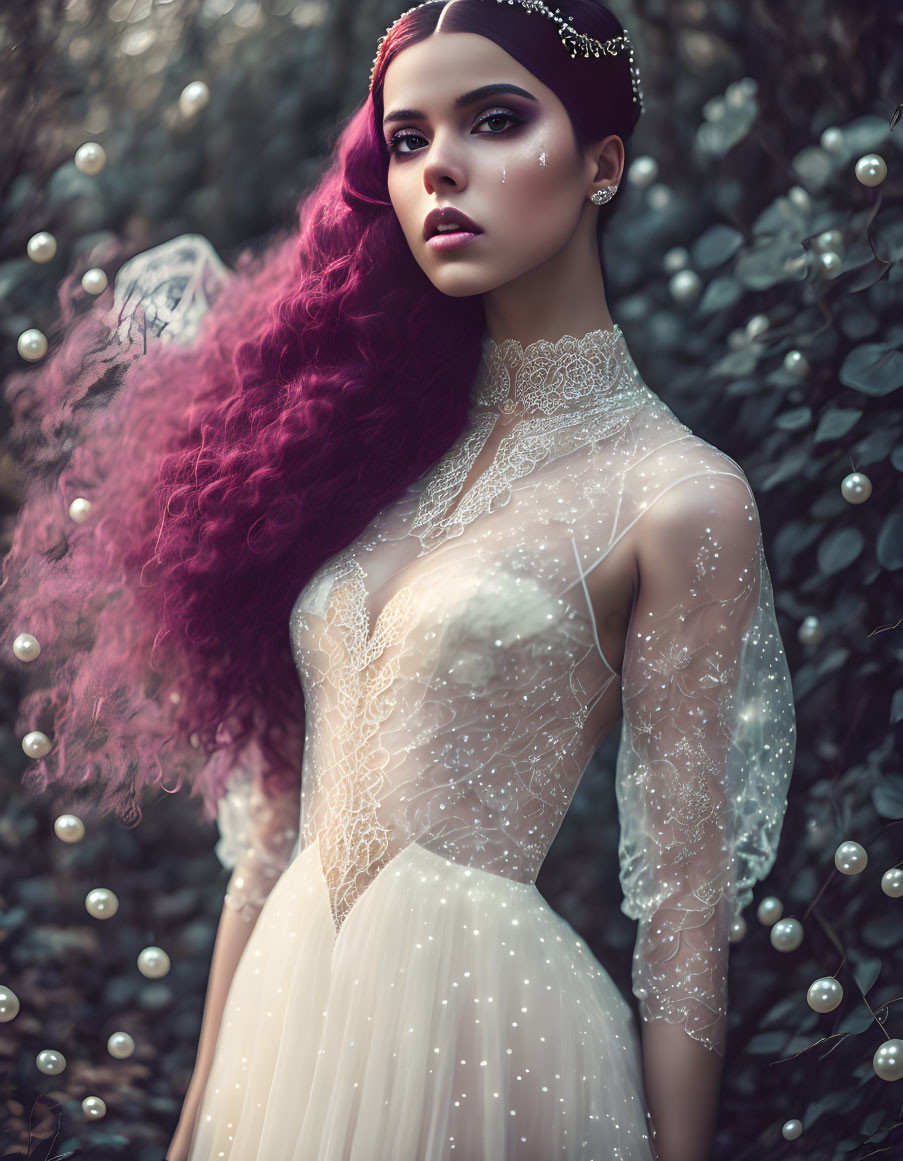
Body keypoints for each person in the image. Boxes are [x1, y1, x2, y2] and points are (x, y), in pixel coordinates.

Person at [1, 2, 796, 1159]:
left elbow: (683, 901)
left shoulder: (676, 495)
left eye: (495, 120)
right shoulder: (366, 455)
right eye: (411, 139)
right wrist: (188, 1132)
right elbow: (274, 833)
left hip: (488, 1038)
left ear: (601, 163)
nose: (442, 171)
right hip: (288, 1022)